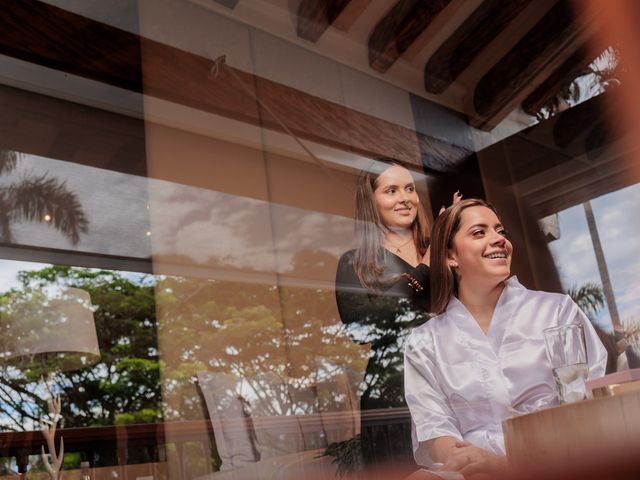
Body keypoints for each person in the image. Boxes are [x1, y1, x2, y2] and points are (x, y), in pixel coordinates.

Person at [404, 198, 607, 479]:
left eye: (500, 231)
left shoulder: (556, 311)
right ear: (451, 257)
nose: (499, 239)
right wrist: (475, 462)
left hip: (554, 461)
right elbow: (434, 427)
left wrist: (507, 465)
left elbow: (583, 406)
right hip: (472, 470)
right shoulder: (424, 341)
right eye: (479, 232)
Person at [335, 159, 459, 466]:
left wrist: (455, 239)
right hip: (394, 392)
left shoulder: (442, 247)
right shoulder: (355, 262)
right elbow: (358, 329)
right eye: (391, 190)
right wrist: (423, 270)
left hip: (456, 379)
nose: (405, 197)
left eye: (409, 188)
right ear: (371, 201)